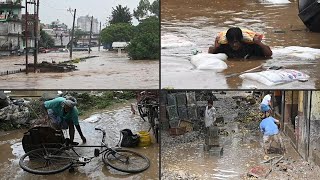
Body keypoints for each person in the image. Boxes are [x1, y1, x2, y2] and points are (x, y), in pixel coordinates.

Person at [208, 27, 272, 58]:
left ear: (241, 40)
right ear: (228, 41)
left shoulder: (249, 46)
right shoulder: (224, 46)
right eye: (231, 42)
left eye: (236, 42)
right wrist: (216, 47)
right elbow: (210, 52)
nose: (234, 45)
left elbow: (269, 54)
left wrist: (259, 43)